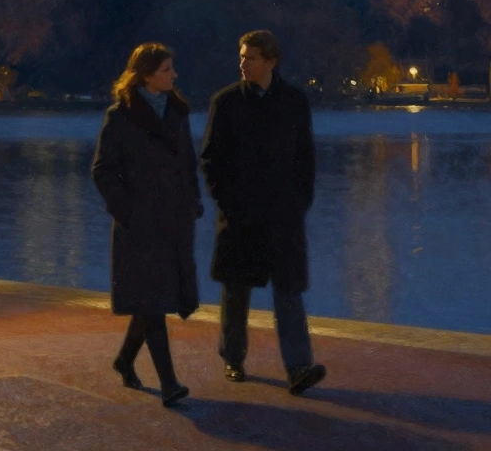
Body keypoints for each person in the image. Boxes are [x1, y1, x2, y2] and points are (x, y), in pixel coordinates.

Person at [200, 30, 326, 395]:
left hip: (283, 216)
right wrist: (227, 203)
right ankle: (233, 358)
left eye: (251, 57)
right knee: (236, 292)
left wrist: (299, 203)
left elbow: (306, 160)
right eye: (242, 57)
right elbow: (210, 159)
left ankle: (298, 366)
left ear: (271, 61)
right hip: (240, 215)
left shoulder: (293, 102)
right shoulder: (225, 103)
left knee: (289, 290)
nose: (243, 63)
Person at [92, 42, 203, 407]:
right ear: (146, 75)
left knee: (153, 299)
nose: (174, 75)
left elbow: (188, 162)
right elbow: (103, 170)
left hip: (173, 220)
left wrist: (193, 202)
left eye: (172, 69)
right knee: (153, 302)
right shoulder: (120, 116)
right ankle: (169, 383)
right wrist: (125, 211)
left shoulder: (177, 111)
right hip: (139, 224)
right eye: (167, 70)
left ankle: (125, 360)